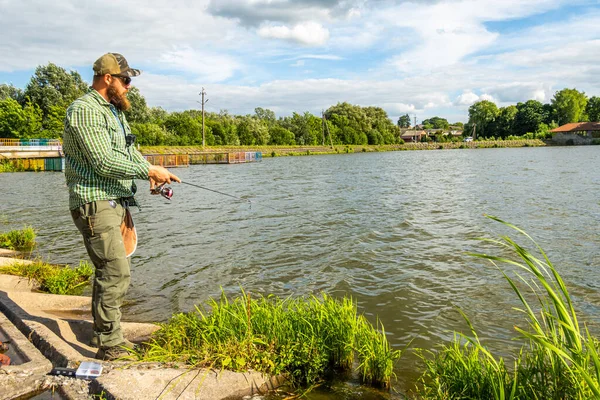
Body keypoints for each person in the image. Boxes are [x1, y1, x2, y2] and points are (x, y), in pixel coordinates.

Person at [63, 52, 181, 361]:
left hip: (114, 201)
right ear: (108, 79)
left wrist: (152, 173)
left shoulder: (114, 112)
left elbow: (129, 153)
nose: (129, 86)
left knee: (112, 268)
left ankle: (107, 334)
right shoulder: (85, 110)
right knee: (114, 270)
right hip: (94, 201)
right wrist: (148, 171)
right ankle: (110, 345)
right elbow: (103, 161)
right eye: (126, 80)